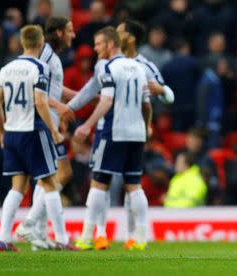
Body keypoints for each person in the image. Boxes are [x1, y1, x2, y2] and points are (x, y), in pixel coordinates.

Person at [0, 25, 75, 251]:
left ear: (22, 42)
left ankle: (3, 238)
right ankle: (62, 238)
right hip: (33, 130)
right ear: (40, 44)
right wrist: (54, 130)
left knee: (17, 187)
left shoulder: (7, 68)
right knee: (49, 182)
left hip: (12, 133)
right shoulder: (39, 67)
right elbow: (40, 101)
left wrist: (1, 132)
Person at [73, 26, 152, 251]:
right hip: (136, 134)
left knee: (98, 183)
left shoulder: (109, 68)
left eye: (99, 44)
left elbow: (106, 101)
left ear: (110, 44)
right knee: (134, 186)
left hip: (114, 131)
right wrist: (145, 128)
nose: (96, 48)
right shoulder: (139, 68)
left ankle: (87, 237)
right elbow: (146, 105)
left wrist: (87, 125)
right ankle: (141, 238)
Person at [15, 17, 76, 250]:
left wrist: (83, 96)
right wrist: (58, 110)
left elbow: (56, 90)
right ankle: (30, 224)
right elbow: (36, 90)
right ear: (59, 32)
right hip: (41, 121)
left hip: (50, 120)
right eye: (70, 30)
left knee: (51, 176)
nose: (74, 34)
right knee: (58, 174)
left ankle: (37, 234)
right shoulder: (44, 56)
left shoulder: (52, 56)